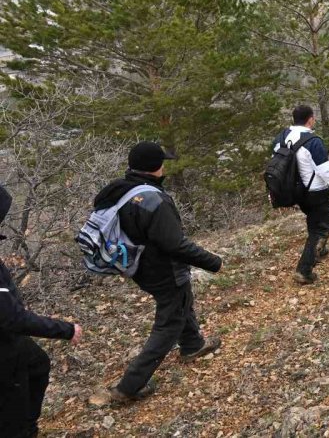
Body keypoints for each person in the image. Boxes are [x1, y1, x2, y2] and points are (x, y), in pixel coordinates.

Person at [92, 142, 223, 404]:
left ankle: (193, 345)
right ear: (156, 167)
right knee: (168, 322)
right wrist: (213, 262)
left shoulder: (119, 190)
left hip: (138, 266)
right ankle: (128, 387)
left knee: (180, 302)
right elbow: (175, 245)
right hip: (163, 269)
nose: (164, 166)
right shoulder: (154, 199)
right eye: (162, 162)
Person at [1, 182, 82, 437]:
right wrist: (66, 330)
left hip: (12, 341)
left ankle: (27, 425)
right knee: (11, 416)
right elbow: (11, 318)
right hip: (4, 349)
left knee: (37, 364)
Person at [273, 105, 329, 285]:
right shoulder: (313, 141)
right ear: (310, 119)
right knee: (321, 228)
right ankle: (304, 270)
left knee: (313, 219)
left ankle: (319, 250)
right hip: (314, 191)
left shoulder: (281, 138)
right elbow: (324, 170)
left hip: (294, 192)